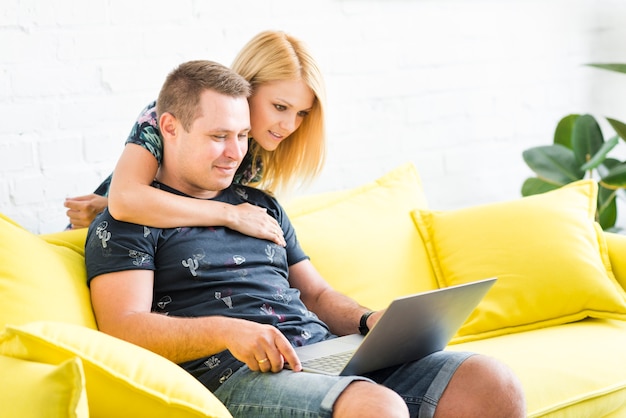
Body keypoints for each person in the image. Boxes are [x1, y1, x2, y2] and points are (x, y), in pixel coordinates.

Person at [85, 60, 526, 418]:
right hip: (235, 375)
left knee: (490, 382)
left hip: (321, 356)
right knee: (377, 406)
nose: (235, 152)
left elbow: (314, 293)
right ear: (170, 127)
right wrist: (227, 331)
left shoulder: (261, 205)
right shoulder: (126, 218)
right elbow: (123, 328)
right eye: (218, 137)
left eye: (241, 135)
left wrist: (367, 320)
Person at [65, 30, 326, 247]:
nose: (291, 126)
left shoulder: (259, 153)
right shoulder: (172, 115)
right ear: (249, 87)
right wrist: (230, 214)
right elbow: (125, 200)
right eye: (280, 107)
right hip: (104, 240)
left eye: (302, 113)